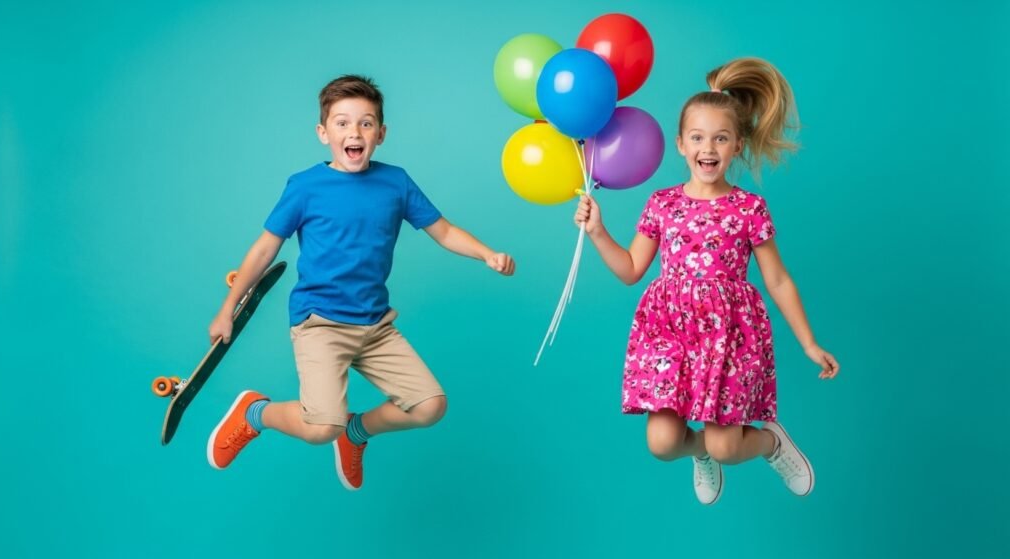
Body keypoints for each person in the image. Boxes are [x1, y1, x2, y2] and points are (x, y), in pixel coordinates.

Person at [205, 75, 515, 490]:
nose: (355, 132)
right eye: (342, 123)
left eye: (366, 123)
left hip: (374, 325)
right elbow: (265, 249)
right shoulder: (305, 187)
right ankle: (254, 412)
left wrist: (486, 254)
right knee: (320, 428)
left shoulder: (396, 182)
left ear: (381, 134)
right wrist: (227, 310)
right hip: (321, 324)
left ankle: (356, 434)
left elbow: (443, 231)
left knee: (430, 406)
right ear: (323, 133)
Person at [574, 57, 839, 505]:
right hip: (670, 332)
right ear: (680, 144)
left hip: (728, 336)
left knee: (728, 446)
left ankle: (771, 443)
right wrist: (598, 231)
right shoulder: (661, 203)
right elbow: (631, 271)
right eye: (697, 137)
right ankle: (702, 455)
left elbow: (777, 280)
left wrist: (810, 343)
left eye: (720, 138)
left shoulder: (749, 208)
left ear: (737, 145)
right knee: (661, 443)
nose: (708, 147)